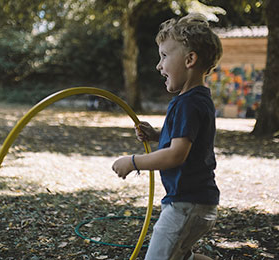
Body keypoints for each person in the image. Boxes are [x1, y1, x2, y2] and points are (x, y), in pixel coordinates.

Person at [112, 13, 222, 260]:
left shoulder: (187, 103)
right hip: (199, 202)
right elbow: (186, 142)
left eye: (164, 56)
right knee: (182, 257)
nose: (158, 65)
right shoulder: (199, 99)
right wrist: (156, 135)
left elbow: (176, 155)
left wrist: (133, 162)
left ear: (190, 59)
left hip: (185, 205)